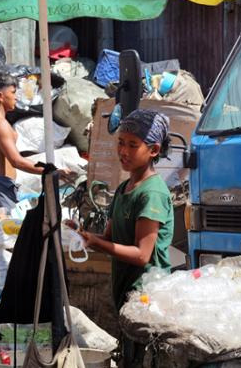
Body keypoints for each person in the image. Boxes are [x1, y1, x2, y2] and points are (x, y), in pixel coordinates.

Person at [78, 109, 174, 364]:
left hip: (146, 295)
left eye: (133, 145)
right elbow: (110, 238)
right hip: (125, 293)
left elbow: (142, 255)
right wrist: (86, 236)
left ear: (153, 150)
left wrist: (98, 242)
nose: (124, 151)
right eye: (121, 143)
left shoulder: (152, 193)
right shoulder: (124, 189)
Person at [0, 72, 67, 210]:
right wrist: (51, 171)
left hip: (2, 187)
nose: (16, 97)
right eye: (13, 92)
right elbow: (16, 161)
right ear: (1, 96)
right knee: (4, 231)